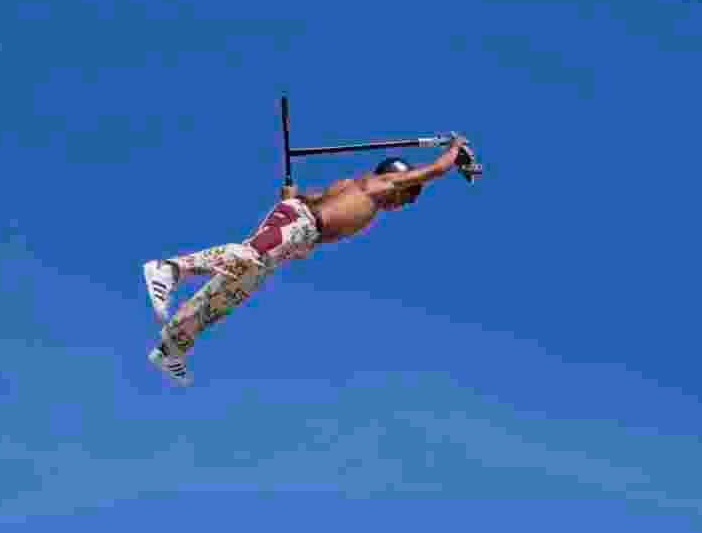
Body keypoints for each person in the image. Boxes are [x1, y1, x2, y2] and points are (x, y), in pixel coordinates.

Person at [143, 135, 476, 386]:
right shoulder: (379, 185)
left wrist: (290, 196)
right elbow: (432, 170)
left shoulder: (351, 187)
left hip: (299, 227)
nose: (403, 204)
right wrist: (455, 150)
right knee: (249, 255)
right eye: (407, 196)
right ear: (397, 179)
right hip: (298, 226)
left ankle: (172, 345)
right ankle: (170, 269)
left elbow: (307, 199)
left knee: (231, 291)